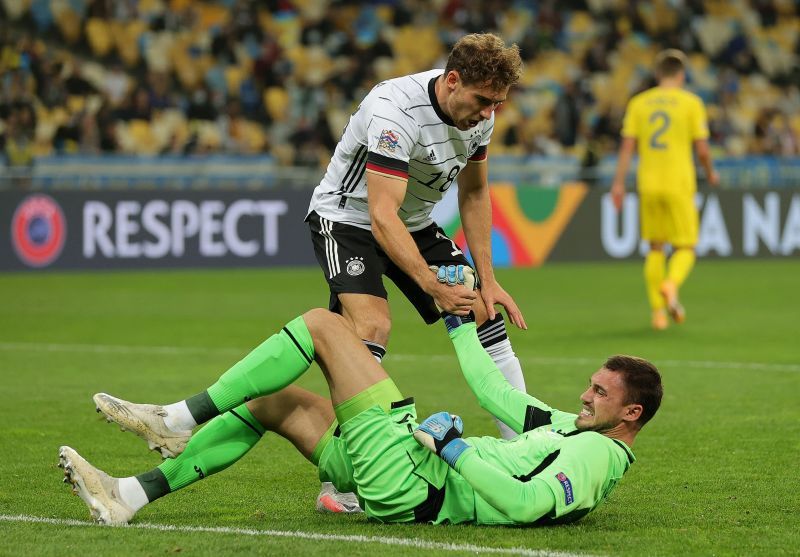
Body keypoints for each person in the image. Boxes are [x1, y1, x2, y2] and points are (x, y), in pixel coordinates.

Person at [59, 268, 662, 527]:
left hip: (413, 481)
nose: (585, 395)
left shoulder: (598, 457)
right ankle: (129, 497)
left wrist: (455, 450)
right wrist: (456, 319)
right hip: (406, 466)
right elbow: (491, 389)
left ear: (630, 414)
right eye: (591, 383)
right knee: (275, 400)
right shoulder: (563, 425)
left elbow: (529, 505)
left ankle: (178, 416)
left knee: (325, 325)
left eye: (600, 392)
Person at [305, 32, 529, 440]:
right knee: (371, 327)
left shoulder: (482, 116)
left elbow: (475, 192)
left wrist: (489, 280)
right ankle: (346, 477)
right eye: (482, 100)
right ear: (453, 80)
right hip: (348, 218)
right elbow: (381, 214)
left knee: (482, 309)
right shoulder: (396, 110)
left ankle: (525, 449)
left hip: (414, 220)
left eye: (497, 103)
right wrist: (430, 284)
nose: (488, 112)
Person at [611, 49, 719, 331]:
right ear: (681, 74)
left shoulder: (639, 103)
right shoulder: (691, 103)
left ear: (658, 74)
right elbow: (703, 150)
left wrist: (618, 183)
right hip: (679, 183)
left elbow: (626, 147)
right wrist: (710, 172)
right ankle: (670, 286)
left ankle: (658, 315)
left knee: (655, 248)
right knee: (686, 246)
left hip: (649, 183)